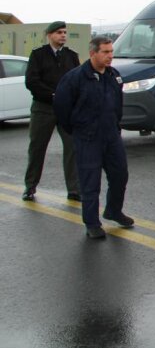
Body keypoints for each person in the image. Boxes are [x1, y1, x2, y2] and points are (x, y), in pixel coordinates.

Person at [53, 36, 132, 239]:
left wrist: (115, 126)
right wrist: (78, 129)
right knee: (90, 182)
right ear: (92, 53)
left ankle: (114, 210)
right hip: (87, 137)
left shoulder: (114, 76)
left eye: (111, 52)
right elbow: (62, 109)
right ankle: (92, 223)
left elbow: (117, 105)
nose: (110, 56)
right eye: (105, 52)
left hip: (111, 136)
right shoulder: (75, 78)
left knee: (120, 174)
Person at [22, 21, 80, 202]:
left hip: (66, 110)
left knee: (73, 148)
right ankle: (30, 187)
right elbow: (31, 81)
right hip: (43, 108)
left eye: (64, 32)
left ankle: (74, 190)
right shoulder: (38, 55)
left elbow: (77, 80)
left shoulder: (71, 56)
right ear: (49, 35)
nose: (63, 35)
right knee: (37, 148)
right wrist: (53, 94)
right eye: (58, 32)